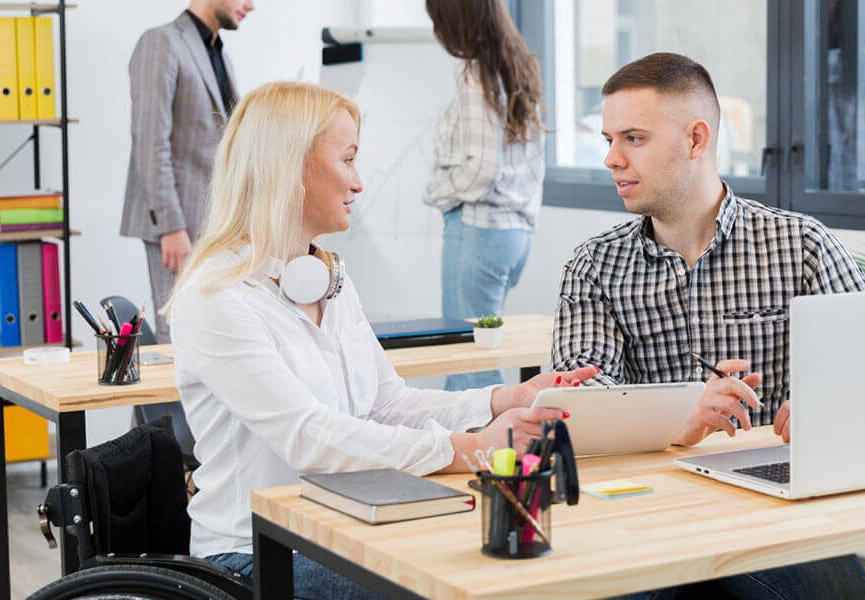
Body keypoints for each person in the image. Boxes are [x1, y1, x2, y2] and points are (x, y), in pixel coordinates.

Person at [162, 82, 596, 598]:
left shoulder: (326, 277)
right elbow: (309, 436)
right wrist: (470, 449)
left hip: (345, 523)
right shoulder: (217, 296)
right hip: (253, 554)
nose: (359, 182)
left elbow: (386, 403)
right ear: (292, 167)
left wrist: (501, 399)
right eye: (347, 160)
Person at [550, 53, 865, 599]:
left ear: (696, 140)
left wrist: (830, 404)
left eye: (633, 138)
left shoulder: (801, 245)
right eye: (609, 139)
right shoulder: (593, 266)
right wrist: (677, 416)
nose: (611, 158)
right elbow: (576, 400)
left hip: (775, 508)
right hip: (645, 512)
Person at [423, 0, 546, 391]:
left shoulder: (475, 74)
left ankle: (486, 450)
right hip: (515, 233)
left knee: (469, 359)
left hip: (478, 231)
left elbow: (482, 169)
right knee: (480, 350)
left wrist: (436, 192)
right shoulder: (516, 67)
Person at [120, 0, 253, 342]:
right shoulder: (161, 43)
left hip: (216, 224)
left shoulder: (217, 52)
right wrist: (171, 227)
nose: (250, 6)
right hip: (178, 226)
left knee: (216, 332)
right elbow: (150, 143)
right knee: (179, 334)